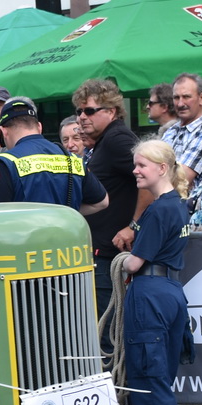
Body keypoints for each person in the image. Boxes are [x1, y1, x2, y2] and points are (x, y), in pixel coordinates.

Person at [120, 140, 192, 405]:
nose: (135, 171)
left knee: (148, 376)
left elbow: (135, 263)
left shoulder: (158, 209)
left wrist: (122, 261)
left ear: (162, 169)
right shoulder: (177, 204)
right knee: (161, 374)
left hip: (149, 293)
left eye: (141, 165)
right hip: (172, 291)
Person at [73, 78, 138, 319]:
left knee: (108, 331)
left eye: (89, 111)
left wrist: (134, 225)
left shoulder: (116, 139)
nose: (82, 117)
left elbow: (155, 179)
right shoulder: (105, 141)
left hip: (111, 256)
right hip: (102, 253)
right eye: (79, 111)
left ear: (111, 111)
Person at [0, 97, 108, 213]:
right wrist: (64, 213)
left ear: (3, 131)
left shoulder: (4, 163)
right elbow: (102, 202)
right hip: (67, 230)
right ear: (39, 127)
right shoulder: (73, 160)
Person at [167, 73, 202, 188]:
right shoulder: (171, 130)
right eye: (176, 98)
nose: (180, 103)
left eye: (186, 97)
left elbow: (180, 180)